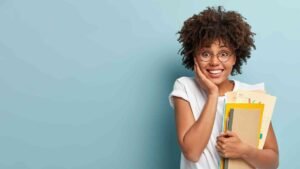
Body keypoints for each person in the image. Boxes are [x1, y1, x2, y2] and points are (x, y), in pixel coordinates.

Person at [169, 6, 279, 169]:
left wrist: (244, 151)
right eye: (205, 54)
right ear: (194, 57)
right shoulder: (185, 87)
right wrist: (213, 94)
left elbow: (273, 162)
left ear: (235, 57)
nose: (214, 62)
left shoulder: (251, 95)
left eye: (223, 53)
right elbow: (192, 152)